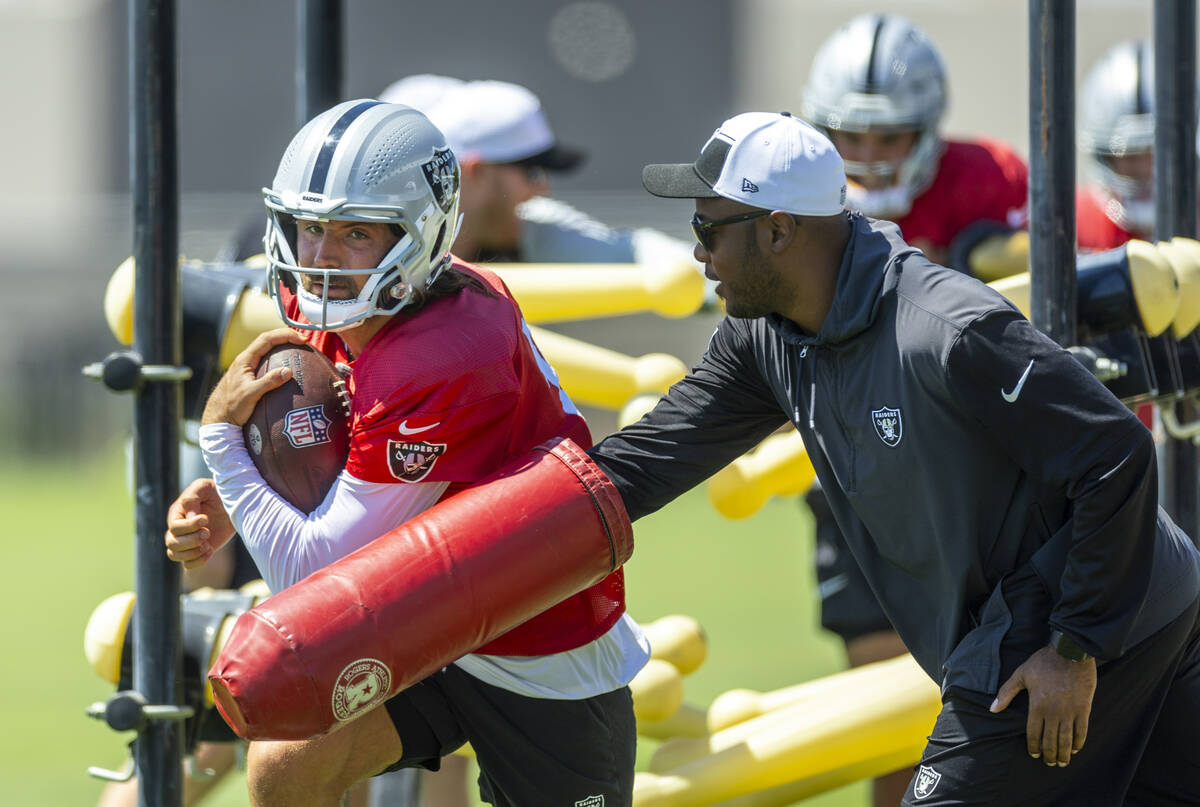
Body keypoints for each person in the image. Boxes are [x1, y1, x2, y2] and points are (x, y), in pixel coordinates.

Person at [585, 112, 1196, 804]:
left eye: (708, 230)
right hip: (1097, 605)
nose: (700, 255)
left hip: (1073, 616)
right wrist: (504, 525)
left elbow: (1116, 452)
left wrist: (1075, 646)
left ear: (779, 230)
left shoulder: (944, 329)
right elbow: (649, 457)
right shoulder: (766, 335)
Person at [163, 100, 648, 807]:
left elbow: (319, 571)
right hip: (427, 617)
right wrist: (249, 493)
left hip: (535, 637)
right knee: (287, 762)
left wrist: (225, 448)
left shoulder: (444, 353)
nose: (321, 259)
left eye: (354, 232)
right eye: (309, 228)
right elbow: (342, 475)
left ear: (421, 237)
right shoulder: (366, 312)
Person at [797, 14, 1030, 803]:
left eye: (889, 137)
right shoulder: (795, 186)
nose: (866, 157)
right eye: (849, 138)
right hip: (859, 462)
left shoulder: (991, 179)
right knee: (888, 705)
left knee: (1001, 706)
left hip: (975, 475)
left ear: (927, 129)